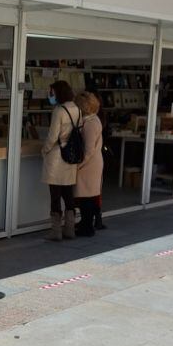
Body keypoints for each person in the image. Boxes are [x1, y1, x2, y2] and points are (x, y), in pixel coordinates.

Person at [41, 79, 82, 241]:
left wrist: (44, 150)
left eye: (51, 92)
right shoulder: (77, 109)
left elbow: (52, 136)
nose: (50, 95)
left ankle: (56, 231)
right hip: (71, 157)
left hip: (57, 156)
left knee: (55, 195)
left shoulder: (59, 111)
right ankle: (70, 229)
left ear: (57, 93)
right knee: (68, 194)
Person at [74, 91, 105, 237]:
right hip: (94, 162)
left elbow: (88, 149)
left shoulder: (89, 123)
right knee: (90, 195)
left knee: (86, 196)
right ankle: (87, 223)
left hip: (89, 165)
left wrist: (79, 165)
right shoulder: (94, 120)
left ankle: (86, 226)